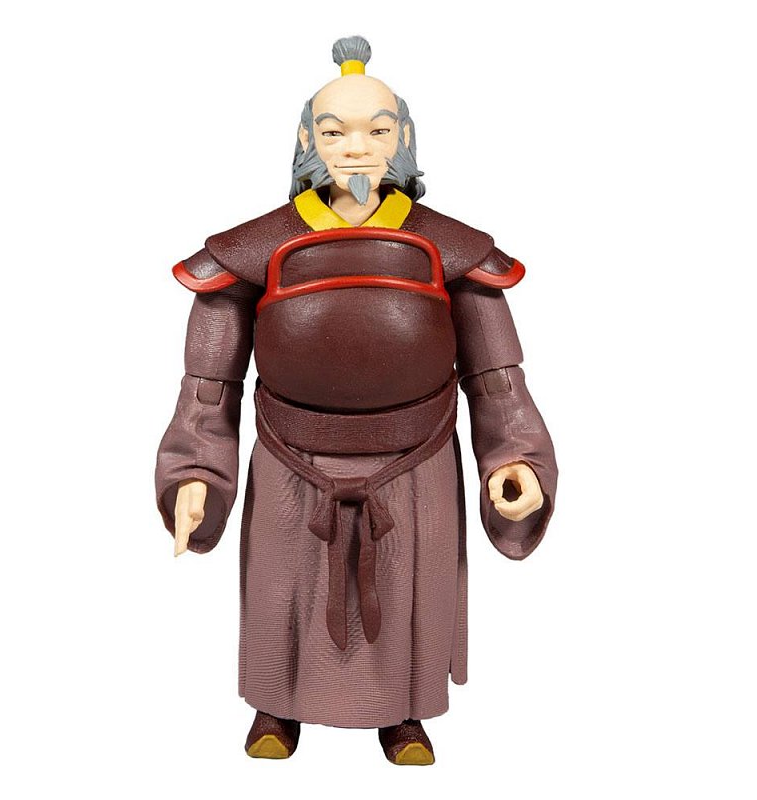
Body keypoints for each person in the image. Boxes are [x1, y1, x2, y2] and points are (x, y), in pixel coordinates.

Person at [156, 35, 557, 766]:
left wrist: (515, 460)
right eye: (335, 131)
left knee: (407, 592)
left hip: (414, 464)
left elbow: (497, 380)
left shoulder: (454, 250)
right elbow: (207, 388)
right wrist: (196, 473)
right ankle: (277, 706)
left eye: (377, 129)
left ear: (402, 138)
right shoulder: (250, 251)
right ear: (308, 141)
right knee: (284, 592)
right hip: (292, 463)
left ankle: (403, 714)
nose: (356, 148)